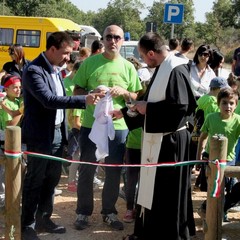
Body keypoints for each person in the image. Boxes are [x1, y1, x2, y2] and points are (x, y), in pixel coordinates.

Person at [112, 32, 197, 240]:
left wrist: (147, 107)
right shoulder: (162, 68)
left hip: (170, 142)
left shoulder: (175, 69)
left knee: (167, 193)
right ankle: (149, 232)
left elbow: (180, 108)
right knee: (153, 191)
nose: (142, 60)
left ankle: (168, 235)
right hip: (159, 142)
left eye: (142, 55)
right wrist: (125, 112)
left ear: (151, 53)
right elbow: (151, 102)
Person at [20, 31, 103, 240]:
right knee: (35, 179)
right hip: (40, 136)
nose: (69, 57)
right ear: (52, 48)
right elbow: (48, 100)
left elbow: (59, 99)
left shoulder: (57, 70)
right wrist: (85, 100)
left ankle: (44, 218)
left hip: (57, 134)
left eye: (71, 53)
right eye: (66, 53)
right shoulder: (34, 70)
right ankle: (27, 224)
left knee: (52, 179)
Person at [72, 25, 142, 231]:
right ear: (103, 39)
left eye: (117, 37)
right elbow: (77, 90)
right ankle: (83, 213)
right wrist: (91, 94)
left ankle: (109, 212)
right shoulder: (89, 63)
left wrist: (126, 93)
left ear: (122, 41)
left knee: (113, 171)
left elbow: (138, 97)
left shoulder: (129, 67)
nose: (113, 41)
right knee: (87, 169)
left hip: (119, 127)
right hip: (91, 126)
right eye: (109, 37)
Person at [196, 87, 240, 222]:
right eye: (224, 103)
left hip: (229, 159)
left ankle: (217, 210)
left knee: (232, 190)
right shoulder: (211, 118)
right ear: (218, 104)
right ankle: (213, 213)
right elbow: (202, 137)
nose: (228, 106)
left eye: (231, 103)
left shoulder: (238, 120)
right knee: (215, 188)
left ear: (236, 105)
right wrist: (199, 157)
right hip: (211, 158)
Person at [193, 77, 229, 191]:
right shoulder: (212, 102)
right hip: (208, 135)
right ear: (217, 89)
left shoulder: (203, 98)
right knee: (209, 161)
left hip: (197, 132)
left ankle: (199, 182)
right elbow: (213, 120)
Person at [0, 74, 22, 209]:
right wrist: (21, 111)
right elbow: (10, 125)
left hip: (14, 142)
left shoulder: (17, 101)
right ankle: (3, 201)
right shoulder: (6, 103)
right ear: (6, 89)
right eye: (14, 87)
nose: (18, 90)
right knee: (3, 173)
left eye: (20, 87)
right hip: (5, 142)